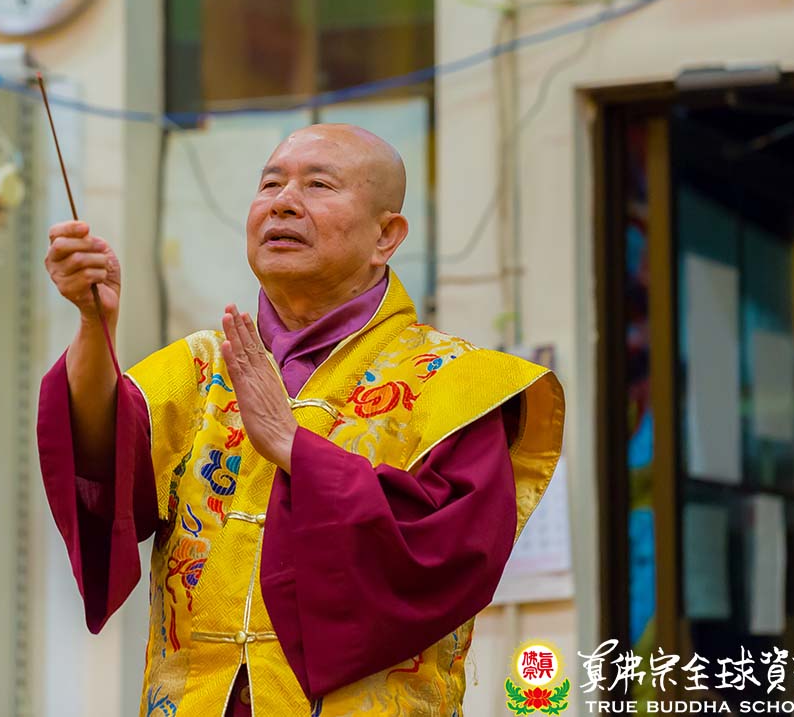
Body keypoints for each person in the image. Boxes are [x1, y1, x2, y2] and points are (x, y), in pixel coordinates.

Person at [38, 124, 564, 717]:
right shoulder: (200, 367)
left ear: (386, 236)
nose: (283, 202)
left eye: (318, 185)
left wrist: (296, 449)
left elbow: (449, 558)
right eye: (270, 184)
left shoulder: (455, 383)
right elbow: (99, 465)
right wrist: (95, 328)